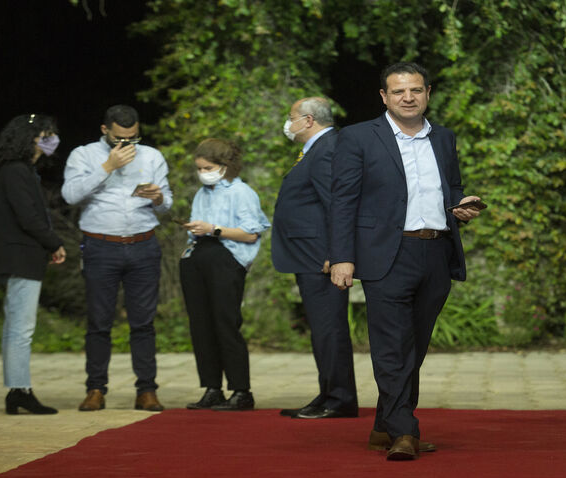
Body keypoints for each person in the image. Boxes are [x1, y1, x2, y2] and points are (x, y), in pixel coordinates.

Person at [329, 62, 484, 460]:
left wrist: (460, 206)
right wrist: (342, 258)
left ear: (428, 92)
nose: (408, 97)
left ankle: (384, 425)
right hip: (386, 255)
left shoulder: (444, 139)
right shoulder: (358, 137)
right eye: (398, 92)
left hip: (436, 252)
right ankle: (404, 432)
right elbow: (343, 202)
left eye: (415, 90)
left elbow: (451, 187)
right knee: (391, 347)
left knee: (414, 348)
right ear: (384, 96)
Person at [61, 105, 172, 412]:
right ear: (104, 131)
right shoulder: (83, 155)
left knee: (144, 322)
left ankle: (146, 390)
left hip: (143, 244)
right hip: (101, 246)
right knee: (99, 321)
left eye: (133, 138)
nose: (126, 145)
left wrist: (160, 198)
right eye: (119, 138)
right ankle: (96, 389)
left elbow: (166, 203)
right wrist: (107, 166)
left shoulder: (152, 156)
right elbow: (70, 196)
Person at [272, 97, 358, 419]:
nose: (287, 123)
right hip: (308, 256)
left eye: (291, 116)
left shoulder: (328, 149)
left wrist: (336, 254)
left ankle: (340, 399)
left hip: (321, 259)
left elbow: (337, 205)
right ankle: (328, 394)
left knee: (329, 328)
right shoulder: (317, 149)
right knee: (322, 329)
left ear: (308, 120)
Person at [0, 113, 67, 415]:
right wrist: (54, 242)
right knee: (21, 327)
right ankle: (20, 390)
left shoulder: (23, 171)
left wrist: (48, 243)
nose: (51, 140)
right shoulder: (16, 171)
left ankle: (17, 389)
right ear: (29, 137)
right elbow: (28, 217)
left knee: (16, 325)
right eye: (46, 134)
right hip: (19, 256)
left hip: (22, 255)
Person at [180, 138, 270, 411]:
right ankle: (212, 387)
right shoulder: (202, 193)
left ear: (225, 166)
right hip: (198, 256)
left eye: (208, 167)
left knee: (225, 324)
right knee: (201, 325)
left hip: (225, 258)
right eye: (199, 168)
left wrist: (213, 229)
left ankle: (241, 390)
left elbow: (251, 232)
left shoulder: (241, 193)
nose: (203, 172)